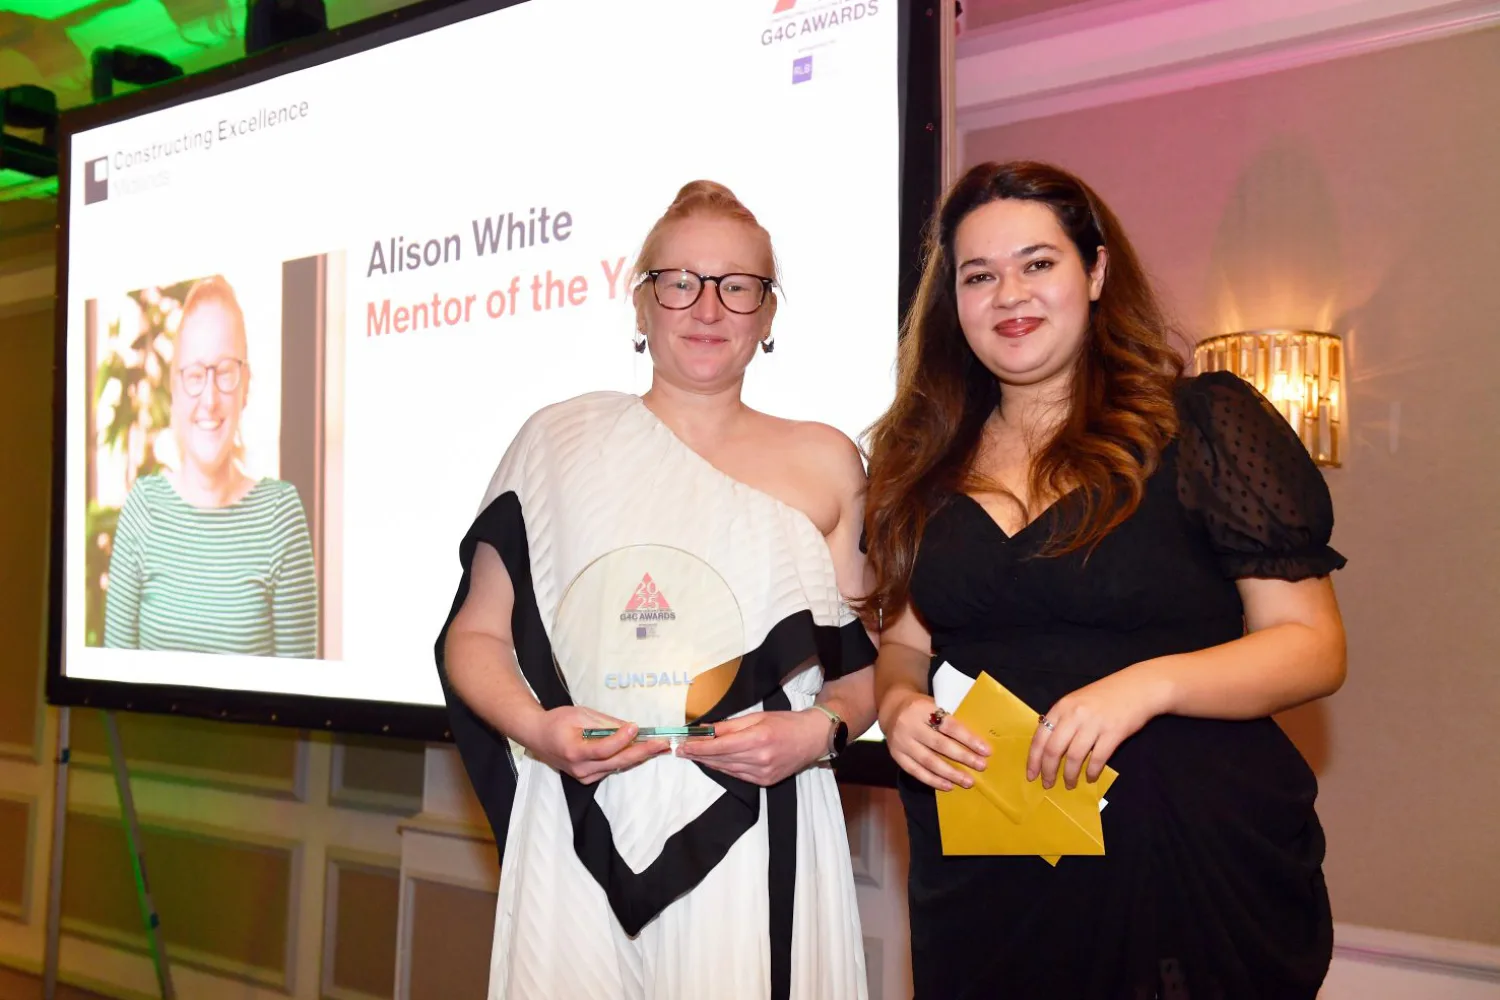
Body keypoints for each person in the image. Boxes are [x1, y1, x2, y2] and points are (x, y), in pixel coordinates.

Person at [860, 161, 1348, 1000]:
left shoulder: (1201, 424)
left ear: (1094, 271)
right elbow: (905, 646)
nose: (1008, 293)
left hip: (1182, 859)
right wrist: (901, 706)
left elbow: (1311, 649)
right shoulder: (918, 460)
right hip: (991, 870)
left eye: (1037, 263)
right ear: (955, 304)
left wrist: (1143, 688)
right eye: (979, 275)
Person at [436, 181, 877, 1000]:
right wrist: (537, 728)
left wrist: (818, 734)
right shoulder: (556, 443)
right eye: (679, 282)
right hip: (582, 811)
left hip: (761, 825)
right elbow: (477, 637)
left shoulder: (828, 462)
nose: (707, 308)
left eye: (737, 287)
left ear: (768, 316)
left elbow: (869, 667)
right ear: (639, 304)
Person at [103, 275, 318, 657]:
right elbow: (111, 689)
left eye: (225, 372)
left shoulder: (279, 514)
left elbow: (298, 707)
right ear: (174, 386)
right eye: (196, 375)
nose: (210, 398)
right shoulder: (143, 510)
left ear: (246, 384)